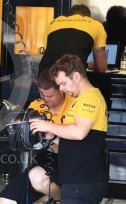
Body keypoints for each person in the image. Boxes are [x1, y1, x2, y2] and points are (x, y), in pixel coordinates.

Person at [30, 54, 108, 204]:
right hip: (76, 180)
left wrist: (48, 125)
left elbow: (79, 133)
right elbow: (79, 141)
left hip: (84, 181)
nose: (62, 89)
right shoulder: (81, 99)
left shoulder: (89, 98)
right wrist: (52, 137)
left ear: (77, 76)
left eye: (64, 83)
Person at [0, 68, 74, 204]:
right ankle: (49, 197)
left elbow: (79, 146)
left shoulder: (74, 106)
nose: (45, 100)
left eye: (50, 96)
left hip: (68, 165)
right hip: (41, 162)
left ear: (62, 89)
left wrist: (52, 137)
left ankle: (63, 199)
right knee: (2, 202)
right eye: (42, 94)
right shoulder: (36, 106)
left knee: (37, 177)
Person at [39, 4, 107, 75]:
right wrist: (92, 65)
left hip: (45, 74)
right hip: (71, 75)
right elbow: (101, 68)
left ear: (68, 16)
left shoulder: (52, 23)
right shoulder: (96, 25)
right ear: (88, 17)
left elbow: (52, 54)